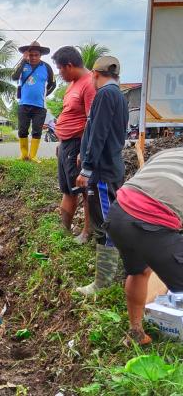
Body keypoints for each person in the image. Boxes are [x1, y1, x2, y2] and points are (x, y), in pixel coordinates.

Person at [105, 148, 183, 346]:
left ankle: (136, 332)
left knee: (138, 272)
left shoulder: (169, 153)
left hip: (119, 213)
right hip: (151, 223)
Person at [75, 56, 128, 295]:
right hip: (108, 166)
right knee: (107, 220)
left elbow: (99, 133)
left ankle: (104, 282)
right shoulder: (119, 95)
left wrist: (87, 168)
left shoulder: (105, 95)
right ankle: (108, 273)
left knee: (106, 224)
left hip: (103, 171)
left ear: (95, 74)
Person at [52, 46, 96, 244]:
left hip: (78, 144)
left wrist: (85, 151)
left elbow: (92, 121)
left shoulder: (89, 84)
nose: (60, 74)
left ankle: (87, 232)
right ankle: (64, 231)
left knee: (83, 190)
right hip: (66, 145)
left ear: (69, 66)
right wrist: (62, 143)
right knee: (68, 189)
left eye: (60, 69)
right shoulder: (73, 84)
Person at [12, 41, 56, 162]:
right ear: (27, 55)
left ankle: (33, 155)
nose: (33, 57)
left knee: (37, 131)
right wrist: (23, 60)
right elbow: (14, 77)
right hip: (23, 104)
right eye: (31, 55)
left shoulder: (46, 67)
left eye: (36, 55)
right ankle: (24, 154)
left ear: (40, 55)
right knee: (22, 130)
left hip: (40, 106)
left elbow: (53, 84)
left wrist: (44, 94)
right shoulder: (22, 65)